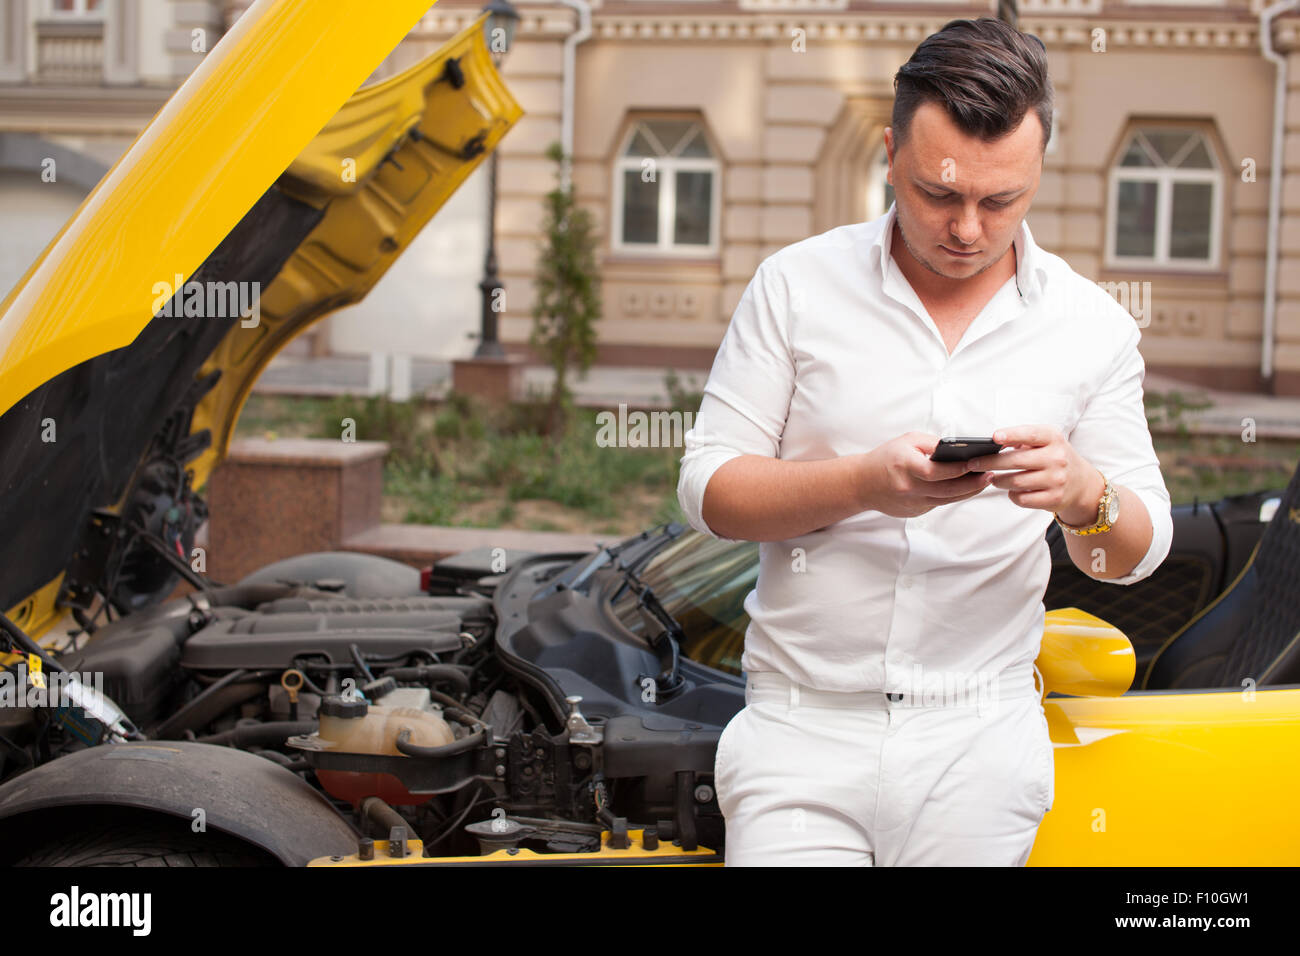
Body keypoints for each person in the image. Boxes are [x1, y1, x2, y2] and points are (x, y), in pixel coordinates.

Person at [676, 16, 1173, 866]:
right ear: (889, 153)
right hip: (802, 732)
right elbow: (710, 492)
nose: (969, 229)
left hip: (980, 743)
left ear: (1038, 168)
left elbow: (1133, 551)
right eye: (939, 194)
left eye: (1001, 200)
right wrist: (863, 483)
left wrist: (1089, 496)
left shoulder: (1091, 326)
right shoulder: (796, 286)